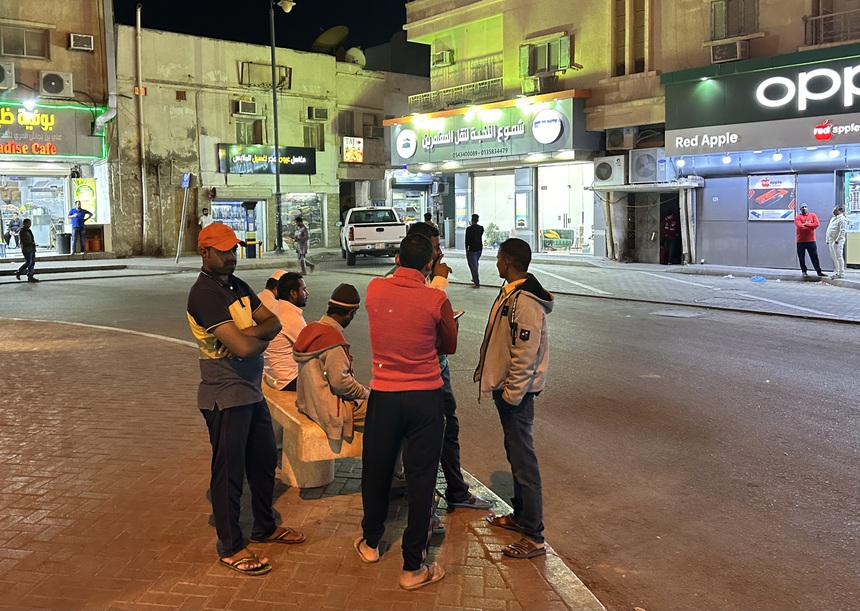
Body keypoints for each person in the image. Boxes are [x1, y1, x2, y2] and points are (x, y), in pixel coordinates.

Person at [186, 223, 305, 578]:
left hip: (251, 392)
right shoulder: (204, 294)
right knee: (229, 473)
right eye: (223, 251)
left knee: (265, 461)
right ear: (205, 253)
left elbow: (272, 324)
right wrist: (250, 339)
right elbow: (242, 347)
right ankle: (231, 546)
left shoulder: (236, 285)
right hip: (224, 396)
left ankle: (264, 527)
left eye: (233, 249)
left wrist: (249, 336)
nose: (231, 257)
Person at [356, 233, 457, 591]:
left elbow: (391, 294)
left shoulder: (373, 290)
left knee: (377, 470)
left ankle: (370, 543)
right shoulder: (436, 298)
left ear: (397, 258)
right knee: (422, 479)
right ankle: (413, 567)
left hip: (384, 395)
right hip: (425, 397)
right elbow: (450, 344)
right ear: (429, 263)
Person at [476, 238, 554, 560]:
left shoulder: (525, 302)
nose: (495, 264)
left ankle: (534, 536)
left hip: (516, 397)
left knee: (524, 462)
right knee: (515, 454)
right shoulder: (512, 293)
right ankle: (521, 518)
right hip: (509, 392)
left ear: (507, 262)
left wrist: (511, 395)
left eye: (498, 259)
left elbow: (525, 353)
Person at [405, 222, 491, 513]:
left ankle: (453, 489)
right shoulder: (411, 284)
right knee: (437, 432)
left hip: (432, 369)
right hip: (427, 373)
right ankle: (435, 501)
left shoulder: (414, 281)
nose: (439, 254)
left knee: (444, 430)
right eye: (434, 248)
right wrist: (440, 286)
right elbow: (442, 338)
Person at [294, 283, 370, 442]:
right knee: (388, 412)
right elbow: (341, 384)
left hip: (309, 403)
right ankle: (386, 465)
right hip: (328, 410)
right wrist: (366, 393)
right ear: (351, 313)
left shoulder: (311, 329)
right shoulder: (332, 340)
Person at [262, 272, 308, 392]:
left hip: (274, 376)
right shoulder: (291, 317)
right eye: (304, 290)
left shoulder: (278, 308)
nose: (307, 294)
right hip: (287, 379)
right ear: (293, 293)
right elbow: (311, 349)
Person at [795, 203, 825, 277]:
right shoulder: (797, 217)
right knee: (801, 257)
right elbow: (800, 227)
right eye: (802, 207)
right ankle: (804, 271)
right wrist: (811, 226)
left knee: (814, 256)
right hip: (800, 241)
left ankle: (819, 271)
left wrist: (805, 224)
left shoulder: (813, 215)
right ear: (800, 209)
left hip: (811, 240)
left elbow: (817, 224)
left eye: (805, 207)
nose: (804, 208)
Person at [826, 206, 848, 279]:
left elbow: (842, 231)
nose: (833, 211)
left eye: (835, 209)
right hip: (831, 240)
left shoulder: (842, 219)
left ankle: (841, 273)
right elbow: (829, 229)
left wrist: (837, 240)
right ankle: (837, 271)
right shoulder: (833, 218)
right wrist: (827, 239)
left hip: (838, 241)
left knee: (838, 256)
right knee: (834, 256)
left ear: (840, 211)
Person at [465, 214, 484, 288]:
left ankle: (476, 282)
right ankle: (474, 278)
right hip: (479, 248)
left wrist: (466, 249)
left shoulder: (469, 229)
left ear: (472, 220)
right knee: (475, 263)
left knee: (473, 265)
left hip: (471, 249)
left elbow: (467, 240)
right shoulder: (481, 228)